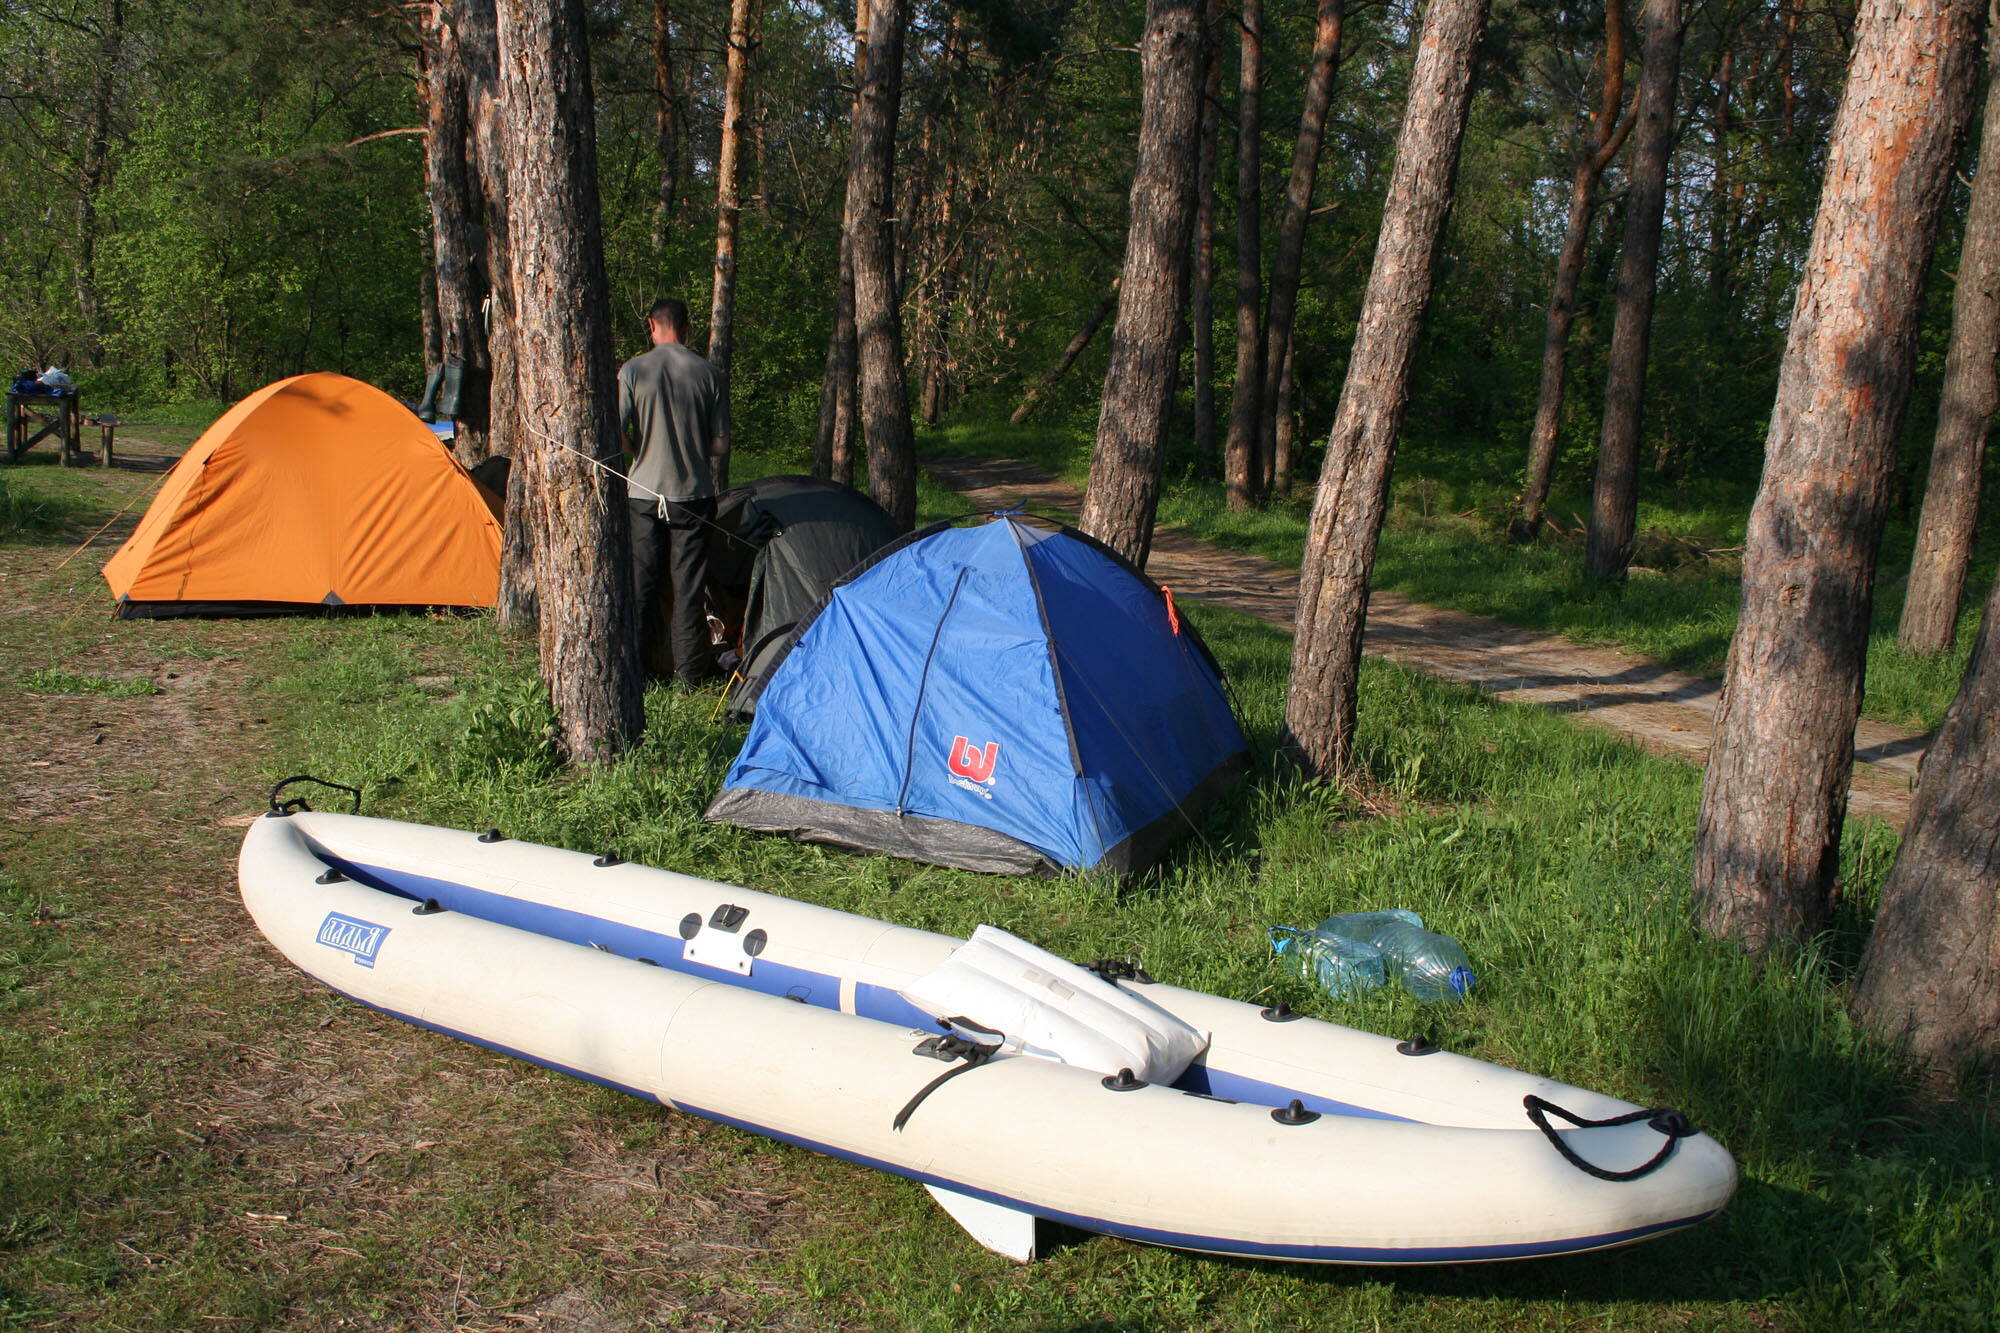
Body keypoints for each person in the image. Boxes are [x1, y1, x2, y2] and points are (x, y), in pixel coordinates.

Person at [618, 298, 731, 684]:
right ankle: (687, 678)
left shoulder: (633, 370)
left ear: (652, 324)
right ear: (687, 327)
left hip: (643, 493)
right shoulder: (708, 373)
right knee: (688, 588)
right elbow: (721, 445)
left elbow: (616, 432)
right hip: (693, 496)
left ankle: (636, 673)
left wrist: (638, 446)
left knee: (642, 585)